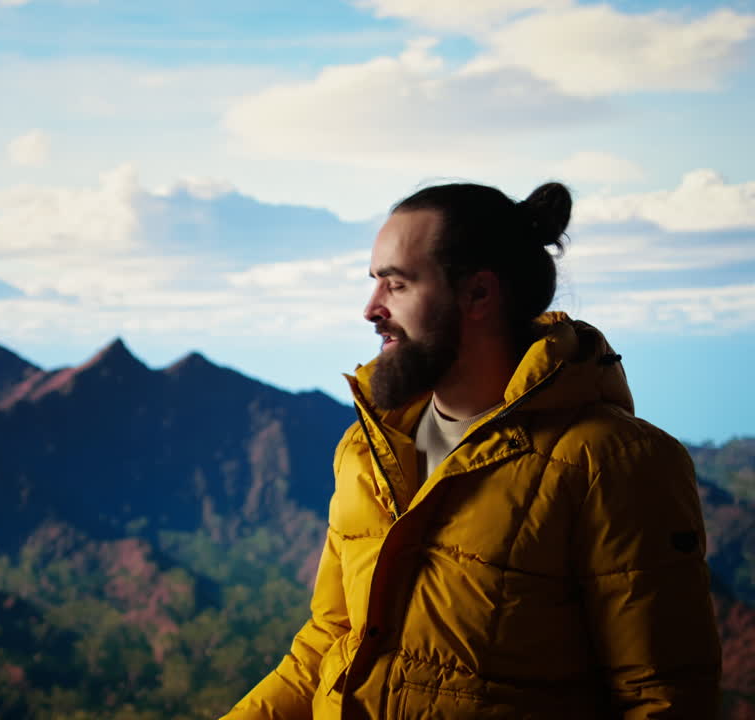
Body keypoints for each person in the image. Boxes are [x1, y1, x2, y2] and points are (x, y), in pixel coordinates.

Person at [221, 181, 721, 719]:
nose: (371, 309)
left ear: (479, 294)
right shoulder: (366, 451)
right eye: (374, 283)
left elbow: (661, 700)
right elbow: (330, 642)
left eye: (397, 284)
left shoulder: (612, 464)